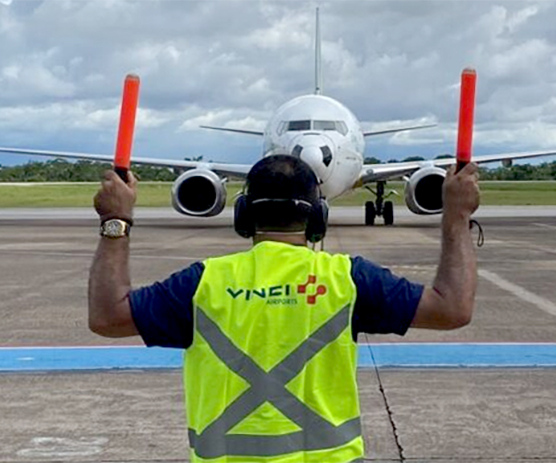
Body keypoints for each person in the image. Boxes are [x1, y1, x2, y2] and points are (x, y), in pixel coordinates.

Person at [89, 155, 480, 462]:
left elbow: (108, 317)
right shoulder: (348, 279)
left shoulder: (202, 283)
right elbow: (453, 309)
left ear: (243, 214)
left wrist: (115, 220)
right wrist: (457, 215)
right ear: (318, 217)